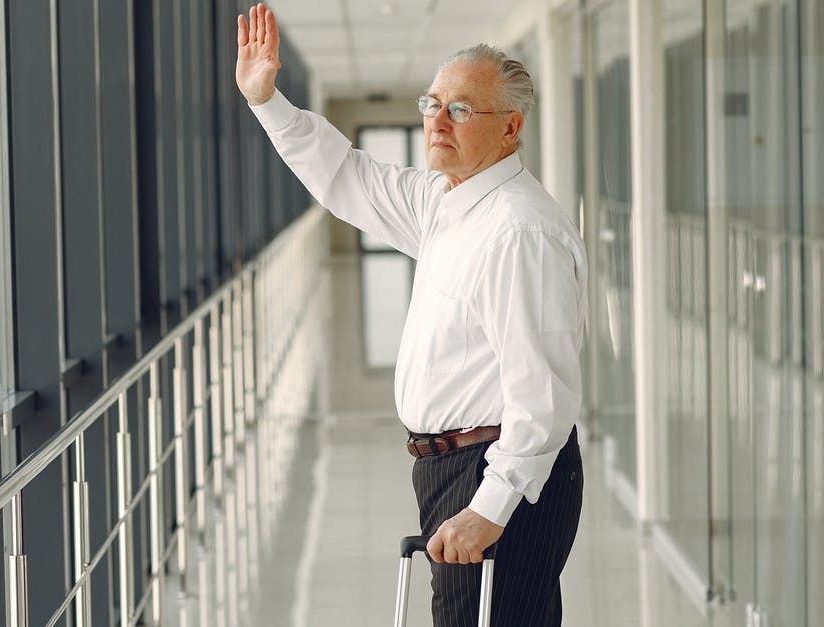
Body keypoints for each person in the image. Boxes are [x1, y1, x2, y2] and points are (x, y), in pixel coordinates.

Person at [235, 3, 587, 625]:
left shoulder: (518, 231)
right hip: (452, 467)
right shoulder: (446, 201)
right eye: (432, 105)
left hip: (498, 470)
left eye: (460, 109)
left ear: (510, 128)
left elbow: (543, 396)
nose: (437, 122)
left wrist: (489, 507)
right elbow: (346, 175)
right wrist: (267, 101)